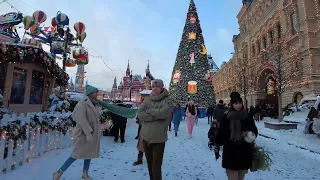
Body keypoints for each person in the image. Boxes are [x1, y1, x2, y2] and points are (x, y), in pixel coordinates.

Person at [53, 85, 137, 180]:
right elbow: (81, 119)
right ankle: (59, 172)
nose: (97, 94)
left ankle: (85, 173)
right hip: (83, 134)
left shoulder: (96, 103)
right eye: (95, 92)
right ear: (90, 93)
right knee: (75, 154)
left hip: (93, 133)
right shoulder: (82, 104)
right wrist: (88, 132)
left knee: (89, 154)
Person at [215, 92, 258, 180]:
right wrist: (217, 144)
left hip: (244, 152)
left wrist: (249, 135)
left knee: (241, 178)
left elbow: (254, 130)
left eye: (239, 103)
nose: (238, 105)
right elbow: (221, 133)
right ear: (232, 104)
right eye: (236, 103)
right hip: (231, 153)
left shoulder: (247, 116)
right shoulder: (227, 117)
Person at [137, 79, 173, 180]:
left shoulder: (167, 101)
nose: (154, 88)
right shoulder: (147, 100)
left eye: (157, 87)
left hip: (159, 139)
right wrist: (155, 116)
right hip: (146, 138)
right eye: (153, 87)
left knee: (156, 166)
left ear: (161, 88)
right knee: (149, 165)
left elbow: (163, 113)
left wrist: (149, 111)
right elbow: (140, 114)